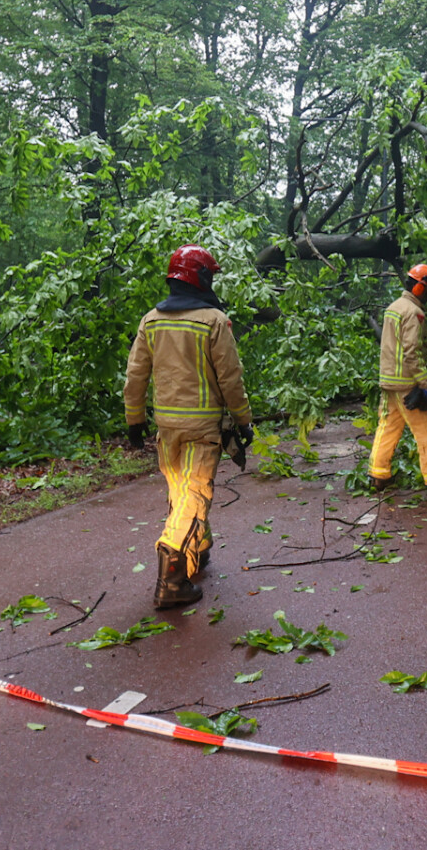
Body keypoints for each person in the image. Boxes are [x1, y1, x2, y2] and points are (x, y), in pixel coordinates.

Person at [124, 244, 253, 609]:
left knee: (182, 492)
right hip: (201, 427)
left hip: (166, 427)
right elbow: (230, 378)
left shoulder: (151, 321)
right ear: (201, 278)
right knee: (195, 494)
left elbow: (135, 377)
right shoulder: (213, 321)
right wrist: (243, 419)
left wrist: (134, 420)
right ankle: (171, 579)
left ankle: (198, 548)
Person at [369, 262, 427, 495]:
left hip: (389, 380)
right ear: (420, 287)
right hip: (406, 382)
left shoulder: (394, 307)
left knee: (388, 427)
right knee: (426, 430)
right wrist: (425, 385)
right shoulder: (413, 312)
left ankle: (379, 475)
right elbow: (412, 352)